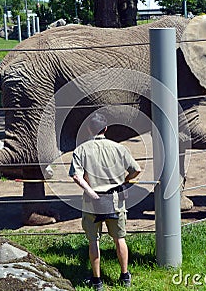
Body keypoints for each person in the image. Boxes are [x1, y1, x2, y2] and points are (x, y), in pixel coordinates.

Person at [69, 113, 141, 290]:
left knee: (94, 241)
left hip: (91, 202)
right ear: (106, 129)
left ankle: (97, 281)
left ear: (89, 129)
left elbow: (76, 176)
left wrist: (90, 190)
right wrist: (124, 181)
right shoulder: (119, 148)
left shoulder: (81, 150)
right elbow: (136, 170)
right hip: (115, 200)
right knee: (119, 239)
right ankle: (124, 276)